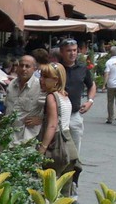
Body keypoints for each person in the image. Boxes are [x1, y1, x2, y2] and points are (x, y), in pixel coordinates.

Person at [36, 63, 80, 196]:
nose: (41, 80)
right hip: (70, 147)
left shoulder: (51, 97)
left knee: (50, 191)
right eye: (41, 76)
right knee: (66, 192)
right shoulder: (64, 96)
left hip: (57, 148)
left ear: (56, 80)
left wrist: (42, 149)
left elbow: (52, 125)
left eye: (45, 77)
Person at [60, 38, 95, 158]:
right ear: (62, 52)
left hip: (75, 114)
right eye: (69, 50)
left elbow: (91, 85)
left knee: (74, 150)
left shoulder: (82, 68)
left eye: (75, 50)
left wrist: (90, 101)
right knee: (57, 149)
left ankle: (74, 173)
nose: (72, 53)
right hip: (57, 115)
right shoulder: (56, 68)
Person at [5, 54, 43, 143]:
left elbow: (54, 110)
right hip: (8, 136)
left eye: (27, 66)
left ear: (34, 69)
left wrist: (42, 119)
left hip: (27, 138)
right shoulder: (11, 84)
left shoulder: (40, 86)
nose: (23, 69)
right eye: (21, 65)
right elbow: (7, 107)